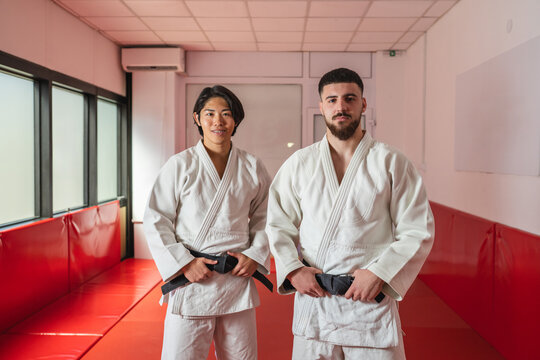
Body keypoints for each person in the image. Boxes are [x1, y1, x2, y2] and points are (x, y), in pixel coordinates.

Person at [266, 68, 434, 359]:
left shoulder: (391, 162)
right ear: (321, 107)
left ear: (363, 104)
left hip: (370, 300)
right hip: (316, 300)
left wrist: (379, 273)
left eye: (349, 98)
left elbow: (417, 229)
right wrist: (293, 270)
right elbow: (277, 224)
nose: (340, 106)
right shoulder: (300, 164)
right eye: (331, 100)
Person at [144, 85, 271, 360]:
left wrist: (254, 255)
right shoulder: (180, 165)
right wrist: (184, 264)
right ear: (197, 118)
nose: (218, 121)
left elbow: (267, 216)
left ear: (235, 120)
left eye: (226, 114)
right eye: (210, 113)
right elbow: (156, 219)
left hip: (236, 280)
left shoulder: (251, 166)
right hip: (192, 280)